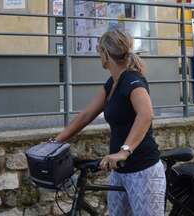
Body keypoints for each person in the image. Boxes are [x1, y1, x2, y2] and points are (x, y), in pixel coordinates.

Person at [54, 28, 166, 216]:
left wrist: (124, 152)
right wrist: (55, 142)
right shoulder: (113, 82)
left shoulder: (132, 80)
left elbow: (145, 115)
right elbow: (87, 114)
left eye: (99, 51)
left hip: (142, 170)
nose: (99, 56)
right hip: (120, 171)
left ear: (106, 53)